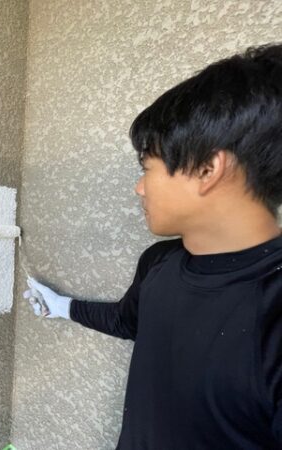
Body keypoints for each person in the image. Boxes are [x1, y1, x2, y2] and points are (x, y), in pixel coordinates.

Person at [23, 43, 282, 449]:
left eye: (147, 168)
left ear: (207, 169)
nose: (139, 188)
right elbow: (128, 321)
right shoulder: (159, 262)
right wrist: (61, 307)